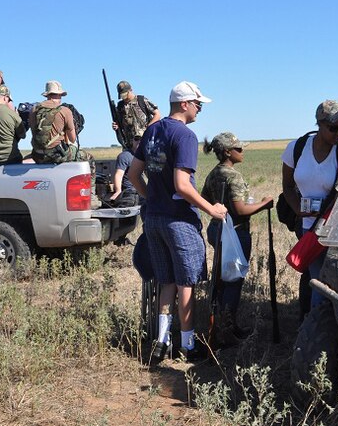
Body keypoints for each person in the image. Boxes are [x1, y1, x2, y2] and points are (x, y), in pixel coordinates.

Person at [127, 81, 227, 362]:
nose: (199, 110)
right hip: (179, 221)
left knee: (166, 281)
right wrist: (211, 209)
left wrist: (152, 199)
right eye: (198, 105)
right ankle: (188, 345)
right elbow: (182, 185)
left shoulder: (152, 131)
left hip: (154, 219)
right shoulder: (185, 136)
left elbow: (134, 174)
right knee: (186, 283)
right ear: (185, 104)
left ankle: (161, 342)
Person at [200, 132, 273, 345]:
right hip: (235, 232)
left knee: (223, 279)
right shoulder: (233, 176)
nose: (242, 151)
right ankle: (227, 329)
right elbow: (241, 210)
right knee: (234, 279)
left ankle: (223, 324)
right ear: (227, 152)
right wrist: (264, 204)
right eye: (238, 149)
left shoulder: (214, 173)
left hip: (216, 229)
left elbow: (205, 199)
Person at [281, 100, 338, 315]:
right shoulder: (297, 148)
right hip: (309, 228)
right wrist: (298, 210)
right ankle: (313, 328)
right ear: (319, 124)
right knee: (317, 279)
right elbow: (288, 186)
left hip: (335, 229)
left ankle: (320, 327)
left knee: (331, 281)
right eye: (333, 128)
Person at [29, 80, 78, 164]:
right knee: (87, 157)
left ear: (47, 95)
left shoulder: (34, 109)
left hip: (37, 155)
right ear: (59, 94)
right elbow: (72, 139)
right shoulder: (65, 110)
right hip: (56, 155)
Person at [112, 80, 161, 150]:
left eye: (125, 95)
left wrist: (148, 128)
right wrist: (116, 127)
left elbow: (157, 115)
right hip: (130, 146)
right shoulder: (120, 106)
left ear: (131, 90)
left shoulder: (142, 100)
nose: (124, 98)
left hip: (146, 143)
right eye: (122, 96)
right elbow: (119, 124)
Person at [106, 134, 142, 207]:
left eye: (142, 139)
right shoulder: (125, 156)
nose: (139, 141)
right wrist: (118, 191)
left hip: (143, 191)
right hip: (130, 192)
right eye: (136, 139)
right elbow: (119, 175)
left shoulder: (148, 156)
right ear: (132, 140)